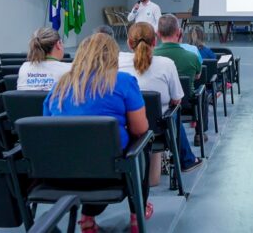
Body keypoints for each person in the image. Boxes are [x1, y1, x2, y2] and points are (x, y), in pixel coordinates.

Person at [43, 33, 151, 233]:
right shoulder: (124, 81)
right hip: (110, 173)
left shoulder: (59, 85)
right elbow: (140, 129)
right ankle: (137, 214)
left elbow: (48, 126)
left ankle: (87, 220)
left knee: (83, 150)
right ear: (113, 56)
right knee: (144, 144)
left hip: (61, 174)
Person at [119, 23, 203, 185]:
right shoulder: (166, 64)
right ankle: (186, 160)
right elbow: (177, 98)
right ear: (154, 42)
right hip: (159, 130)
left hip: (126, 129)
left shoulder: (118, 62)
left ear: (129, 43)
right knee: (174, 110)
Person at [153, 14, 209, 146]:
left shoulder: (150, 56)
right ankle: (200, 133)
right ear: (179, 33)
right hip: (186, 103)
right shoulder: (192, 56)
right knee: (203, 93)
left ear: (158, 34)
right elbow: (197, 76)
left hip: (158, 106)